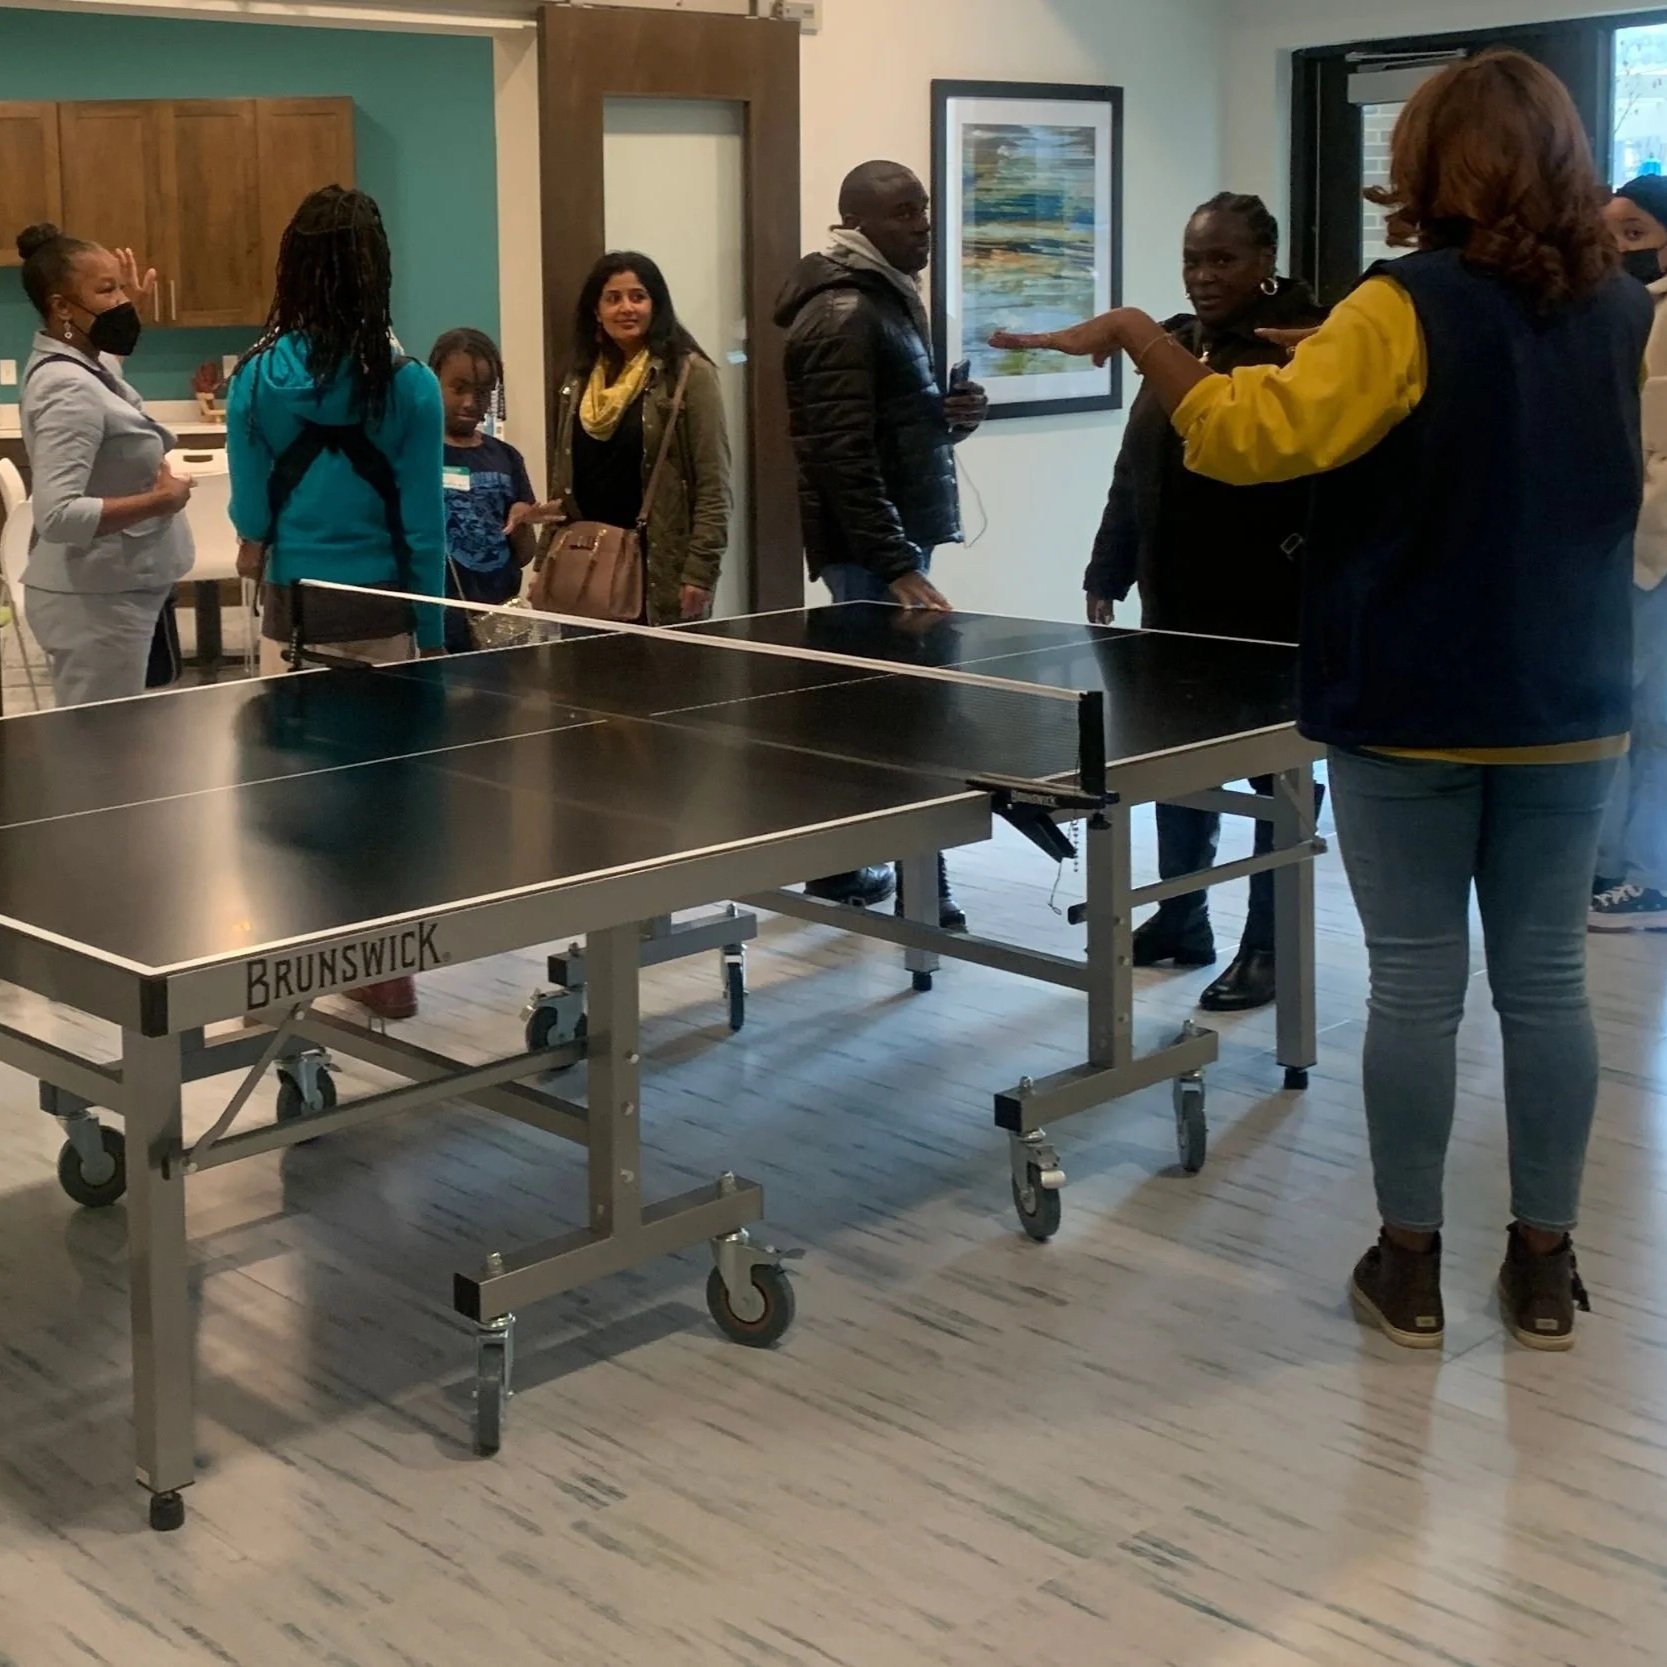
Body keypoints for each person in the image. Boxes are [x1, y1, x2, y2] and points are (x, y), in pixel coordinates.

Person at [994, 50, 1650, 1353]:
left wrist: (1138, 337)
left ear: (1423, 166)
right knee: (1544, 982)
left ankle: (1405, 1266)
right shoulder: (1623, 310)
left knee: (1413, 988)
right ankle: (1541, 1269)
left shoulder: (1396, 306)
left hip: (1410, 700)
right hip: (1571, 699)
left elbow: (1247, 435)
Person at [1091, 193, 1327, 1011]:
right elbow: (1135, 470)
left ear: (1266, 259)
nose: (1202, 276)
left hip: (1272, 605)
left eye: (1221, 260)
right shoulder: (1175, 344)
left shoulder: (1307, 341)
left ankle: (1270, 946)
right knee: (1177, 763)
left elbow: (1324, 477)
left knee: (1278, 775)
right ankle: (1180, 916)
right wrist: (1106, 569)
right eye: (1193, 260)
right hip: (1176, 599)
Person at [228, 185, 446, 1023]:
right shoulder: (412, 385)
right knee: (386, 804)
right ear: (376, 270)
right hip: (383, 618)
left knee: (288, 804)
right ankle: (385, 973)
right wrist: (430, 639)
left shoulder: (252, 382)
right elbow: (424, 534)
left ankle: (286, 974)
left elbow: (250, 519)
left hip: (290, 621)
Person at [776, 160, 989, 923]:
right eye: (905, 213)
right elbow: (838, 453)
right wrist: (895, 560)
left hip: (886, 542)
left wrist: (952, 414)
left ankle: (841, 871)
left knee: (875, 720)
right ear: (858, 224)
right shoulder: (843, 312)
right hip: (874, 552)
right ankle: (925, 893)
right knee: (902, 725)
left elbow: (885, 427)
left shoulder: (884, 301)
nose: (923, 225)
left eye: (923, 209)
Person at [14, 223, 195, 707]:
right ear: (61, 307)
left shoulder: (82, 364)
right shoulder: (66, 388)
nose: (121, 300)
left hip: (115, 592)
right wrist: (160, 501)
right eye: (106, 289)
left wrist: (126, 311)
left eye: (120, 286)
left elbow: (107, 375)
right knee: (100, 755)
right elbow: (57, 516)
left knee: (124, 749)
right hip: (93, 604)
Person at [528, 252, 730, 631]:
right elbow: (562, 487)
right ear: (596, 310)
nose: (626, 308)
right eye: (613, 298)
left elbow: (713, 486)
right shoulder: (579, 380)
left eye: (638, 296)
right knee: (582, 686)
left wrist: (700, 572)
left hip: (658, 578)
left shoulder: (688, 376)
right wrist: (543, 564)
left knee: (658, 686)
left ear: (656, 305)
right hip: (584, 570)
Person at [1590, 176, 1667, 931]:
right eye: (1607, 231)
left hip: (1653, 548)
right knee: (1613, 708)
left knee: (1653, 718)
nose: (1616, 247)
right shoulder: (1602, 311)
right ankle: (1605, 861)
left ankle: (1647, 874)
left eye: (1634, 232)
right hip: (1604, 548)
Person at [428, 327, 536, 654]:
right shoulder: (420, 453)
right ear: (433, 381)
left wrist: (522, 521)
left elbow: (525, 553)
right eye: (458, 389)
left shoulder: (506, 457)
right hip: (440, 620)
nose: (470, 403)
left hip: (499, 621)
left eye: (483, 392)